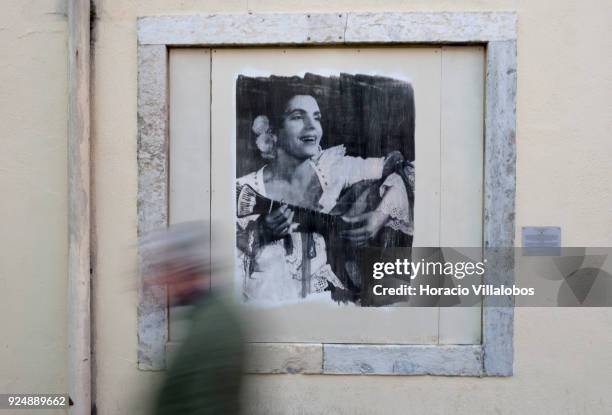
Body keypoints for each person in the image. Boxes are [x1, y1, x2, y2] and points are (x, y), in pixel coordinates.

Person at [236, 93, 413, 303]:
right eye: (298, 117)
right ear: (273, 132)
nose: (312, 126)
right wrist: (262, 232)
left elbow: (405, 168)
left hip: (336, 301)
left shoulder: (333, 168)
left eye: (316, 117)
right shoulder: (244, 191)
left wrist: (379, 216)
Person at [140, 222, 244, 415]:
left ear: (184, 271)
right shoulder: (206, 318)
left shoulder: (213, 328)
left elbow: (209, 406)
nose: (157, 280)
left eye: (164, 269)